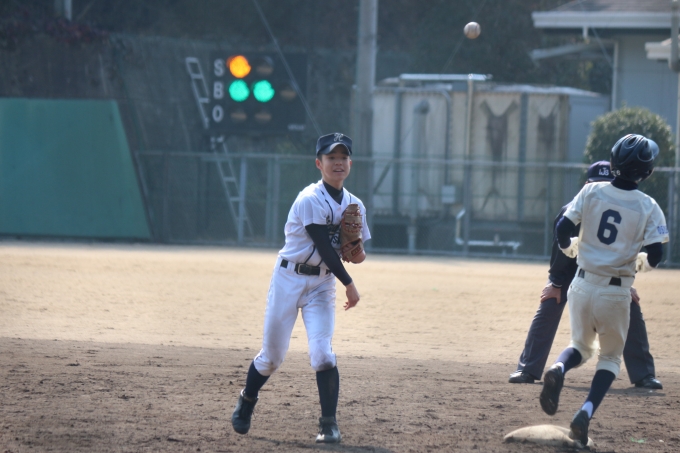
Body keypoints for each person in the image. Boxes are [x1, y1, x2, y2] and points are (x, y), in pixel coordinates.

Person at [230, 132, 371, 444]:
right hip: (289, 279)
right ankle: (248, 399)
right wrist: (349, 284)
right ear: (319, 163)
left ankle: (329, 425)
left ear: (350, 163)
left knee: (323, 355)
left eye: (343, 157)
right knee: (271, 357)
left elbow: (357, 255)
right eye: (331, 157)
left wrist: (355, 250)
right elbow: (323, 246)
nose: (338, 163)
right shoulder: (309, 199)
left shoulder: (355, 205)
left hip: (322, 283)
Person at [537, 134, 669, 446]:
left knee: (580, 346)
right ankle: (584, 413)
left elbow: (562, 228)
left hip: (581, 284)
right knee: (609, 359)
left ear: (612, 162)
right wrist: (639, 265)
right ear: (647, 172)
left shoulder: (591, 190)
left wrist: (570, 249)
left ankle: (558, 367)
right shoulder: (649, 206)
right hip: (616, 291)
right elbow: (656, 254)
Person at [509, 161, 662, 390]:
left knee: (630, 304)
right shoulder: (574, 207)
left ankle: (644, 375)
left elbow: (624, 252)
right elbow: (560, 251)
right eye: (596, 182)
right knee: (550, 301)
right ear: (587, 184)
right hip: (569, 270)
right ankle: (527, 369)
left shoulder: (624, 209)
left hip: (605, 273)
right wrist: (557, 283)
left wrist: (625, 284)